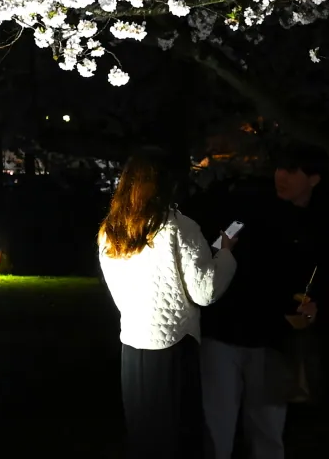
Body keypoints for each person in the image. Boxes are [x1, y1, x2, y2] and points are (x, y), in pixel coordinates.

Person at [96, 147, 237, 459]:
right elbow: (205, 291)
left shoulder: (111, 231)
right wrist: (226, 254)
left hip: (133, 348)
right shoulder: (179, 226)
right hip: (174, 346)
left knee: (145, 438)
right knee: (177, 439)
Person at [199, 144, 329, 459]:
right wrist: (223, 246)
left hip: (274, 339)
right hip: (225, 331)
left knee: (268, 426)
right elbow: (218, 245)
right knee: (218, 423)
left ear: (313, 179)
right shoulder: (249, 208)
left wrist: (316, 305)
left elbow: (327, 273)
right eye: (279, 168)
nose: (281, 176)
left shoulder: (319, 223)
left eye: (292, 170)